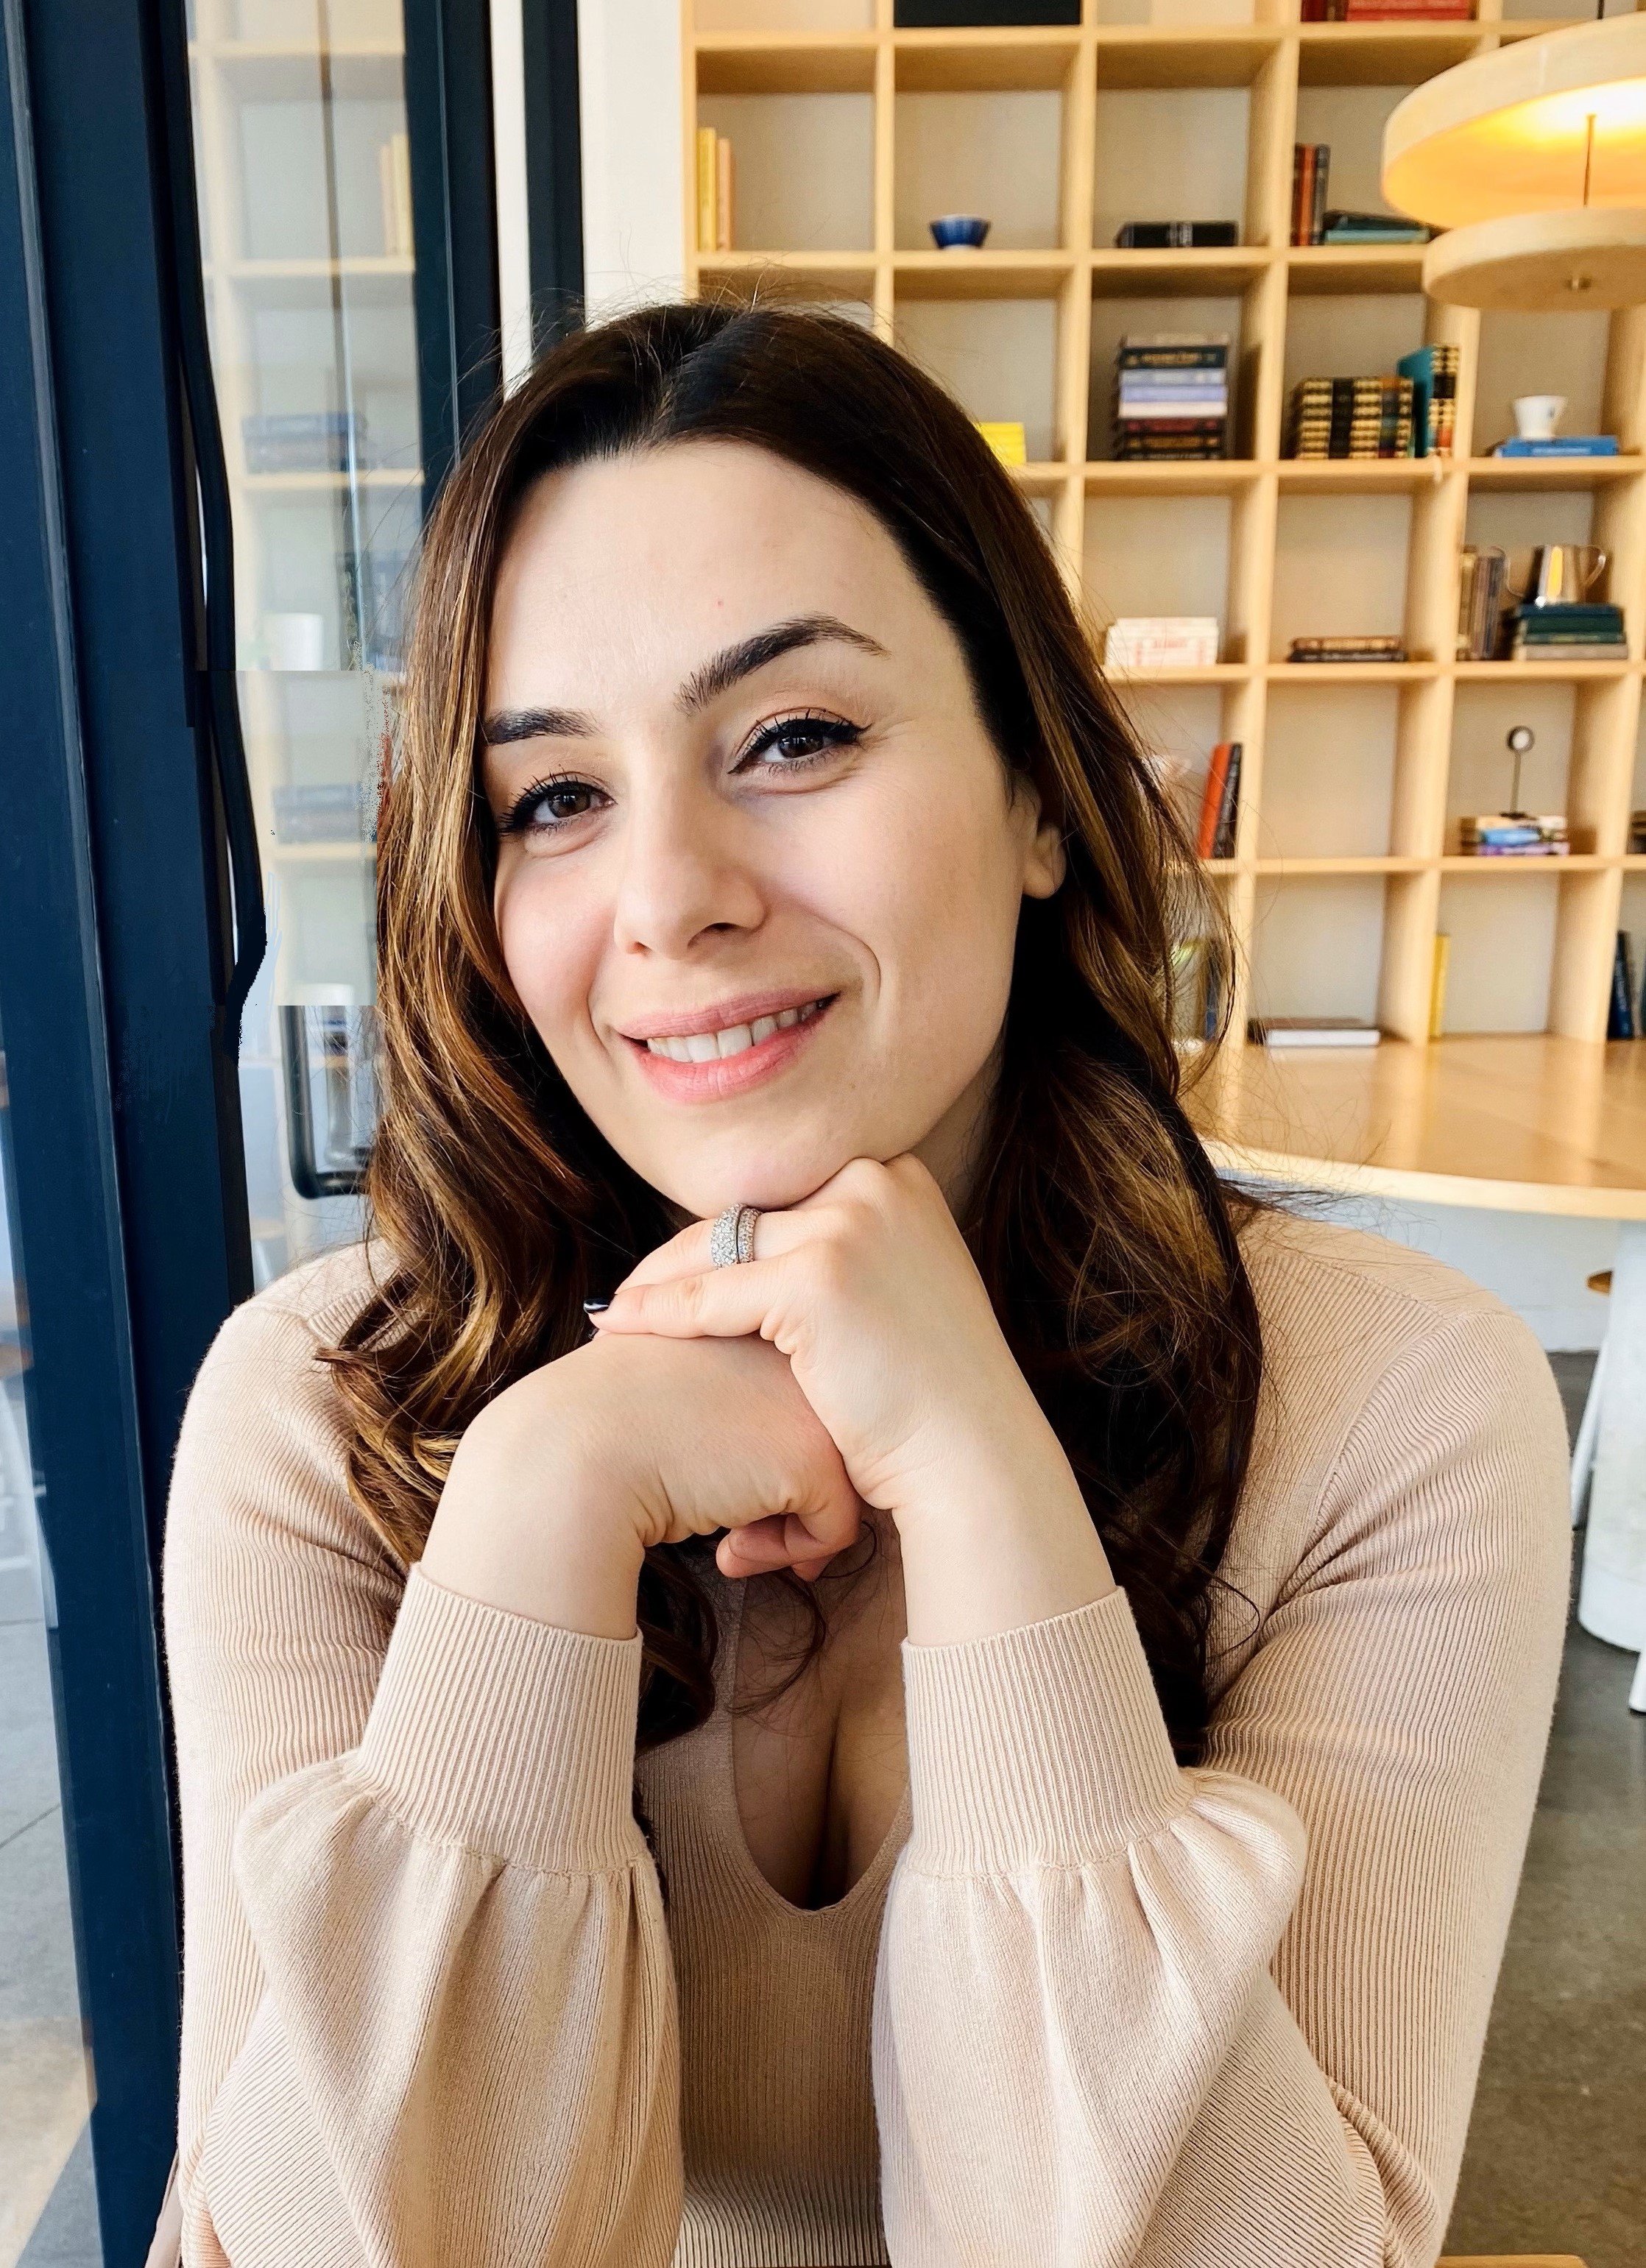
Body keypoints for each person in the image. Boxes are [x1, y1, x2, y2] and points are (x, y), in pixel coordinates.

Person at [163, 302, 1569, 2268]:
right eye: (553, 796)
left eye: (795, 735)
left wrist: (987, 1490)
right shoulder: (328, 1410)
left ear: (1042, 799)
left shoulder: (1390, 1402)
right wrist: (543, 1495)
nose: (669, 895)